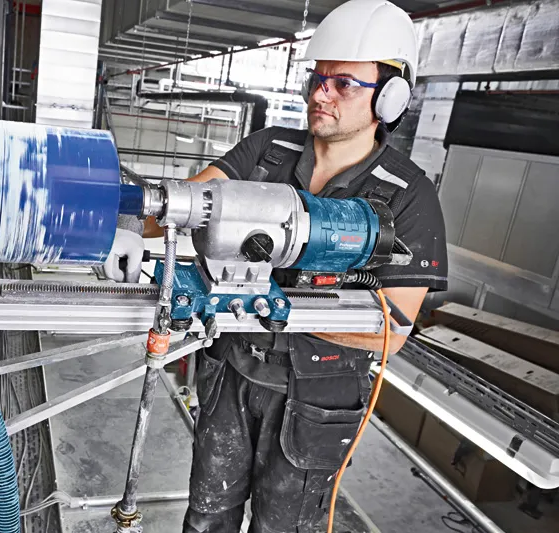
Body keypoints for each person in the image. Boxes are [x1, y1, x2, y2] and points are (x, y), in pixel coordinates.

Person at [105, 0, 448, 531]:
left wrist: (272, 307)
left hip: (318, 398)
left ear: (391, 97)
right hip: (232, 372)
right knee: (207, 514)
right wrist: (123, 226)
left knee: (282, 526)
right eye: (317, 77)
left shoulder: (409, 196)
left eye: (344, 84)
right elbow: (187, 204)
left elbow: (393, 328)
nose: (320, 93)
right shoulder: (270, 150)